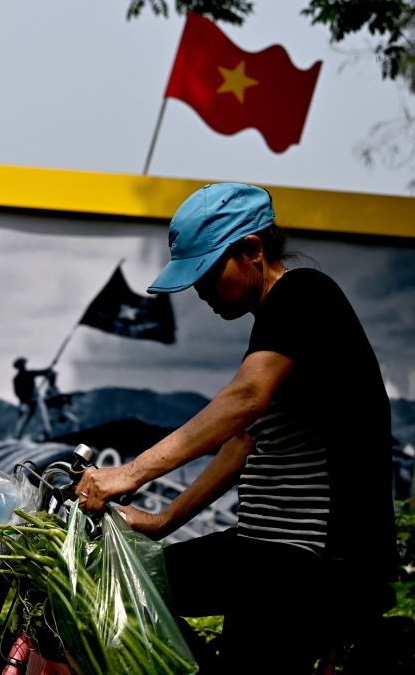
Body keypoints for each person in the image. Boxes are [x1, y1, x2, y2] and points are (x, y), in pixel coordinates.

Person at [77, 183, 397, 673]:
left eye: (205, 273)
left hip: (313, 560)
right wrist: (162, 522)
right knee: (124, 584)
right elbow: (243, 442)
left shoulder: (304, 294)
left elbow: (245, 400)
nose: (200, 291)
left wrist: (130, 473)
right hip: (264, 548)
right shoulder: (276, 323)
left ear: (252, 250)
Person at [12, 357, 57, 440]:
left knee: (42, 417)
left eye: (23, 364)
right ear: (19, 367)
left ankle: (48, 435)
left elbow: (43, 372)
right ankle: (17, 437)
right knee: (26, 419)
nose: (23, 366)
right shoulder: (18, 378)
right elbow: (17, 393)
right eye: (22, 365)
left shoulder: (28, 374)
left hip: (33, 399)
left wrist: (51, 366)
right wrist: (27, 399)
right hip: (27, 402)